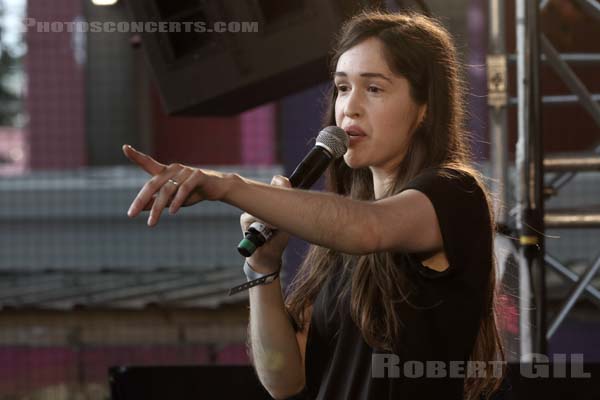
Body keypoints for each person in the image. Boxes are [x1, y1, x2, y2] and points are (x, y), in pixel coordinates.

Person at [123, 10, 506, 400]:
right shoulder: (337, 235)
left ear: (424, 107)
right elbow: (282, 379)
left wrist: (229, 186)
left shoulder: (455, 193)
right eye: (342, 88)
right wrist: (263, 269)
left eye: (374, 89)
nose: (349, 108)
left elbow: (368, 229)